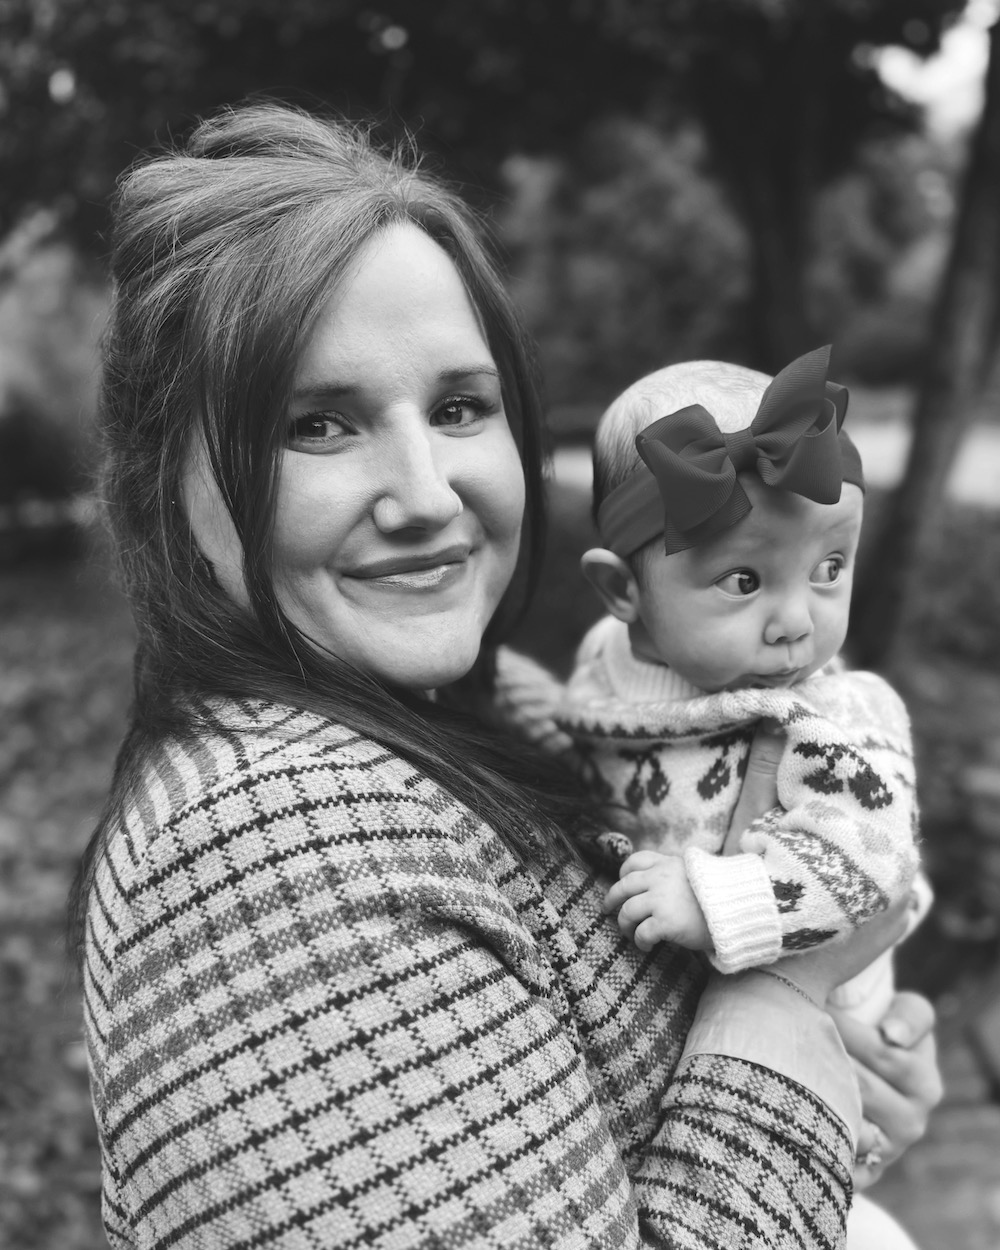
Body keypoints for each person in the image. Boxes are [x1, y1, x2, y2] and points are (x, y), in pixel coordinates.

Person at [70, 100, 940, 1250]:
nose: (427, 492)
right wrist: (783, 999)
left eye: (457, 406)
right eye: (316, 424)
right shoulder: (270, 843)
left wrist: (832, 1102)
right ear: (162, 482)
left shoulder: (477, 713)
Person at [551, 347, 928, 1027]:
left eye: (829, 567)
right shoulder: (603, 664)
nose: (796, 622)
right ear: (621, 590)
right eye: (744, 581)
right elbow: (586, 730)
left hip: (829, 1010)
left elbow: (873, 860)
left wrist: (716, 901)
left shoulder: (835, 715)